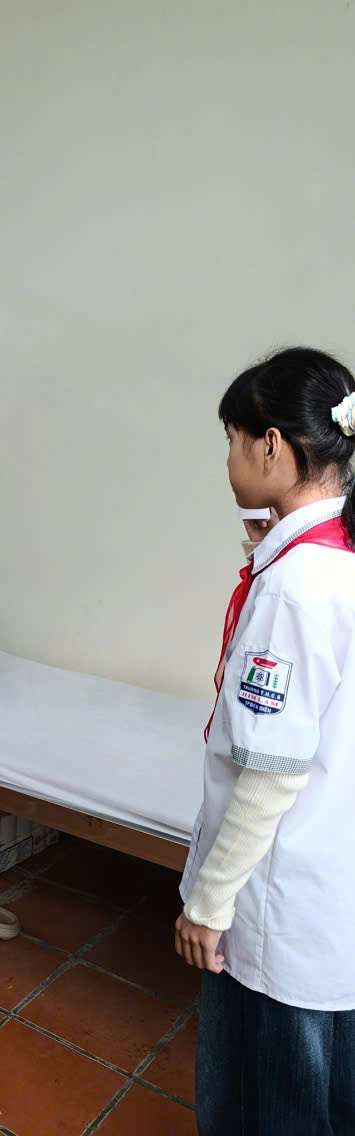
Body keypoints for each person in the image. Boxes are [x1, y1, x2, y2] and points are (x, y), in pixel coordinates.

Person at [176, 347, 355, 1135]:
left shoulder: (294, 588)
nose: (228, 460)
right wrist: (270, 536)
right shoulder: (334, 560)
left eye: (231, 440)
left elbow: (270, 772)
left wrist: (207, 904)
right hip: (331, 894)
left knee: (272, 1106)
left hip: (282, 903)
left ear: (271, 446)